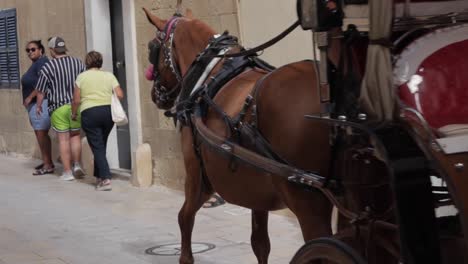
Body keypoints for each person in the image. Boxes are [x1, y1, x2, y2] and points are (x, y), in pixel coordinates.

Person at [72, 51, 124, 191]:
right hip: (107, 113)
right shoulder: (109, 75)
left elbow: (76, 100)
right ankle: (99, 176)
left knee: (97, 146)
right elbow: (120, 94)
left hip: (89, 112)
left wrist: (74, 113)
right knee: (100, 145)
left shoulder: (81, 77)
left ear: (87, 62)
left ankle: (106, 179)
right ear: (100, 62)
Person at [35, 36, 85, 181]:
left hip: (58, 107)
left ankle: (68, 172)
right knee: (75, 136)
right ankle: (77, 165)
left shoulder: (48, 67)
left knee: (63, 140)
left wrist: (39, 106)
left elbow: (41, 91)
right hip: (75, 106)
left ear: (51, 50)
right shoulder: (78, 63)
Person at [21, 40, 55, 175]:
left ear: (41, 50)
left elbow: (43, 82)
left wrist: (30, 97)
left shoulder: (42, 63)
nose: (30, 52)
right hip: (34, 105)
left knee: (41, 134)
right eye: (28, 50)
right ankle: (47, 161)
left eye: (33, 49)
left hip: (40, 104)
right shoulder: (36, 64)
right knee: (40, 134)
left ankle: (48, 165)